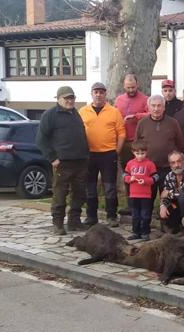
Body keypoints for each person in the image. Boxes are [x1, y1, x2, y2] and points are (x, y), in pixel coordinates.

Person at [36, 86, 89, 235]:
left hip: (80, 161)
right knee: (60, 194)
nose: (70, 100)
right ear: (58, 99)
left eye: (72, 98)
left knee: (79, 194)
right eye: (66, 98)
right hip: (62, 163)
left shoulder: (75, 114)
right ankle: (58, 224)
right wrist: (52, 158)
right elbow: (41, 140)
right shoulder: (50, 115)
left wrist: (86, 155)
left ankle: (74, 222)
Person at [79, 82, 126, 227]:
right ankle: (91, 216)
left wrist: (116, 151)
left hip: (108, 154)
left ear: (105, 94)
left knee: (110, 187)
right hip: (89, 155)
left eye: (101, 92)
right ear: (91, 94)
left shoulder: (114, 111)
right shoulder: (83, 111)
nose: (98, 94)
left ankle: (111, 216)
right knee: (90, 187)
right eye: (96, 92)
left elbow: (122, 133)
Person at [136, 94, 184, 200]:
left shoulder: (173, 123)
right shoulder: (142, 123)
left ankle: (166, 216)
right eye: (153, 106)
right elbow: (137, 145)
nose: (156, 109)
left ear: (164, 107)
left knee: (169, 198)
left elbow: (180, 143)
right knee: (147, 198)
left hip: (168, 168)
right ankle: (146, 216)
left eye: (159, 106)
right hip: (148, 169)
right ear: (148, 107)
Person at [115, 74, 149, 215]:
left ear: (137, 84)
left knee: (141, 172)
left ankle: (145, 205)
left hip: (139, 143)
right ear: (124, 86)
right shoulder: (119, 100)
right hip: (123, 142)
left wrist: (136, 116)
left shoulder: (145, 99)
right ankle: (131, 204)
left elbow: (150, 113)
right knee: (128, 174)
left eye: (133, 87)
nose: (131, 90)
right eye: (128, 88)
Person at [123, 140, 158, 241]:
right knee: (135, 215)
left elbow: (155, 177)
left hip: (146, 195)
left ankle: (145, 232)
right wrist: (130, 179)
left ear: (146, 152)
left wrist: (146, 181)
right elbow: (125, 175)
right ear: (133, 152)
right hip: (133, 195)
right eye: (137, 153)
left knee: (145, 214)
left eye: (142, 153)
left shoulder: (150, 164)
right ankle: (135, 232)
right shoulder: (130, 163)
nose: (140, 156)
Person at [159, 150, 184, 234]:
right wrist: (163, 206)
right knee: (167, 204)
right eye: (173, 163)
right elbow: (164, 196)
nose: (176, 165)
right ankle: (174, 227)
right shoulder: (169, 176)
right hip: (179, 204)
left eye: (179, 161)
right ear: (170, 165)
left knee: (183, 197)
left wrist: (169, 193)